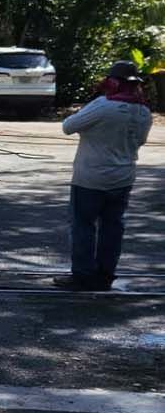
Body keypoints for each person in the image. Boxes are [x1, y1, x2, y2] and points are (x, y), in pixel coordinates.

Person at [55, 59, 153, 291]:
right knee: (113, 227)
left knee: (83, 226)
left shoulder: (103, 105)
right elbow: (140, 141)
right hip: (123, 178)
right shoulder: (144, 112)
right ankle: (105, 274)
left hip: (90, 178)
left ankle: (82, 275)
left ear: (113, 83)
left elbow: (68, 126)